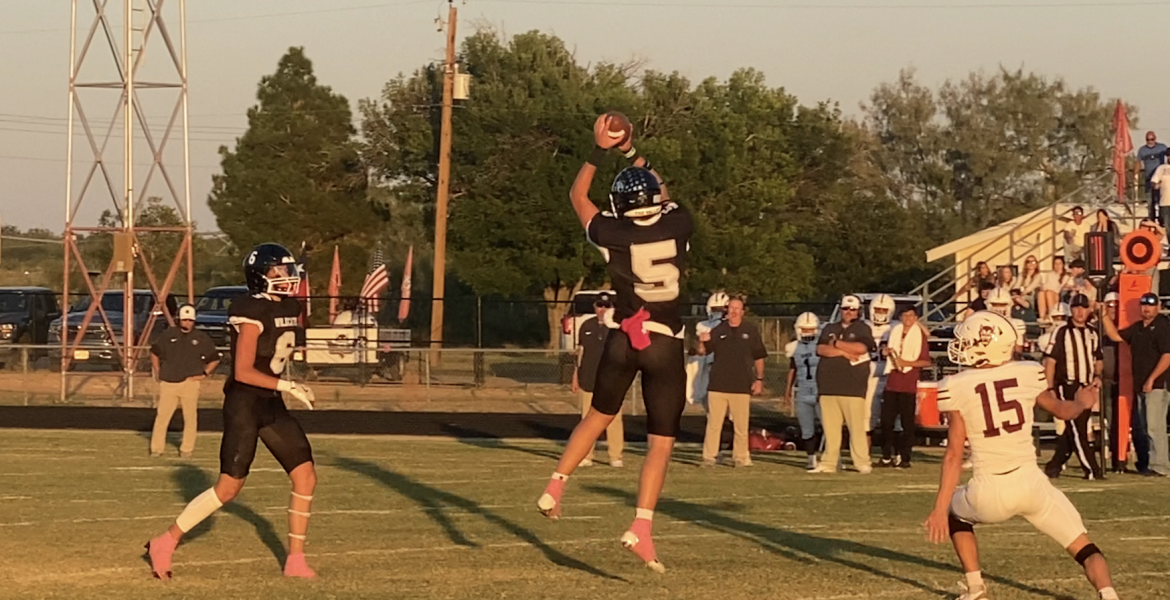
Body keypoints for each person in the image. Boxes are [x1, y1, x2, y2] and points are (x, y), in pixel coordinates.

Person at [537, 114, 691, 573]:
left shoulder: (612, 232)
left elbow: (576, 197)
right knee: (660, 443)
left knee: (600, 415)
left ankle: (556, 484)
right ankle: (641, 526)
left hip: (624, 336)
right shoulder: (679, 223)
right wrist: (629, 150)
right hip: (664, 341)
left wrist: (598, 150)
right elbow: (660, 189)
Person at [144, 243, 319, 580]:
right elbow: (242, 371)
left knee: (305, 474)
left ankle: (295, 560)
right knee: (228, 488)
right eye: (278, 271)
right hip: (245, 403)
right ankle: (163, 542)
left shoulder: (290, 306)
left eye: (287, 269)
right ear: (260, 276)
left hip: (270, 401)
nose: (286, 276)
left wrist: (284, 385)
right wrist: (288, 386)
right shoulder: (248, 309)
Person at [924, 311, 1119, 600]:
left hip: (988, 489)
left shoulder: (956, 385)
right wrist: (1082, 401)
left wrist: (939, 509)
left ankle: (975, 587)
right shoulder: (1027, 371)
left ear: (984, 344)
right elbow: (1063, 411)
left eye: (967, 341)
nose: (962, 346)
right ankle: (1108, 594)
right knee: (1085, 547)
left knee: (956, 513)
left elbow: (954, 454)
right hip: (1032, 484)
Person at [1099, 292, 1170, 477]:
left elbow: (1167, 356)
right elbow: (1115, 336)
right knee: (1147, 426)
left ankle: (1160, 466)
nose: (1147, 308)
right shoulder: (1138, 328)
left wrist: (1152, 378)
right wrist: (1104, 315)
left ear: (1158, 306)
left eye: (1151, 305)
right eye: (1144, 305)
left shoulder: (1162, 326)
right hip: (1140, 384)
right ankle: (1153, 463)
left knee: (1155, 426)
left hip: (1157, 384)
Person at [698, 296, 767, 468]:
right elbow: (702, 352)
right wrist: (702, 340)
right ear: (727, 311)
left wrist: (759, 379)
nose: (734, 312)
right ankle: (709, 457)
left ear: (742, 312)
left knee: (741, 426)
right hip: (718, 385)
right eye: (731, 308)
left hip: (741, 385)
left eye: (738, 308)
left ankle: (741, 458)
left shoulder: (750, 330)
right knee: (714, 424)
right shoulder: (718, 329)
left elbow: (759, 357)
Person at [1042, 293, 1105, 480]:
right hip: (1066, 386)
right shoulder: (1061, 331)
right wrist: (1049, 387)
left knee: (1075, 430)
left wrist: (1097, 376)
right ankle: (1092, 469)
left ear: (1088, 310)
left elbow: (1098, 359)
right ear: (1071, 309)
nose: (1079, 312)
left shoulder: (1092, 332)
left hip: (1086, 387)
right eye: (1076, 308)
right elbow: (1050, 361)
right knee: (1077, 430)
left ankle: (1053, 466)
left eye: (1083, 308)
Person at [813, 294, 876, 474]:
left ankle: (862, 462)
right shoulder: (830, 327)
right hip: (828, 385)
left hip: (853, 387)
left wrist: (837, 344)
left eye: (852, 309)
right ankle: (829, 462)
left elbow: (861, 348)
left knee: (856, 428)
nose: (848, 312)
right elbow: (821, 349)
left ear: (858, 311)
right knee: (830, 429)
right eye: (845, 309)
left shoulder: (863, 328)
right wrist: (843, 353)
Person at [149, 304, 220, 458]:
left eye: (190, 320)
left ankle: (186, 449)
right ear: (178, 320)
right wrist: (158, 370)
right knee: (162, 417)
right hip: (168, 382)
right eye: (184, 320)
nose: (187, 323)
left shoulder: (201, 338)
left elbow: (214, 359)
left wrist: (204, 373)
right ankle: (156, 449)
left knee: (190, 418)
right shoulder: (168, 335)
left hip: (190, 383)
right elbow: (154, 352)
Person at [572, 294, 623, 468]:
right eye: (599, 305)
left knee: (613, 419)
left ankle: (615, 455)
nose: (602, 309)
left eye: (606, 306)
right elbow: (581, 352)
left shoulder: (617, 327)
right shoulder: (587, 325)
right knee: (587, 419)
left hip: (612, 381)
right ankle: (586, 455)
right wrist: (576, 376)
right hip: (588, 379)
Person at [878, 305, 931, 469]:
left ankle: (905, 457)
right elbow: (885, 349)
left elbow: (926, 361)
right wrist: (885, 352)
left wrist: (907, 363)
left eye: (911, 316)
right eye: (905, 315)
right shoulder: (895, 331)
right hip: (892, 382)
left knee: (907, 424)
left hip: (908, 385)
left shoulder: (918, 336)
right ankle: (887, 456)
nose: (908, 319)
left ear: (915, 318)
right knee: (886, 422)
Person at [785, 312, 822, 471]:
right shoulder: (793, 347)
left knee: (829, 427)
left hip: (820, 390)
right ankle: (811, 458)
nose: (807, 332)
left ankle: (834, 458)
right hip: (803, 389)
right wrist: (787, 391)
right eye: (804, 329)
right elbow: (792, 369)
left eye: (810, 329)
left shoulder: (822, 345)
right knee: (806, 428)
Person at [685, 292, 729, 411]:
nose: (718, 312)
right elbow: (701, 349)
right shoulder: (703, 326)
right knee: (707, 397)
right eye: (716, 309)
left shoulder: (731, 326)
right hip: (709, 365)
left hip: (726, 366)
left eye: (721, 309)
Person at [865, 294, 895, 443]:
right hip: (869, 376)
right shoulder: (864, 326)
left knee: (893, 417)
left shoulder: (896, 327)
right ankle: (865, 452)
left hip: (889, 375)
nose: (880, 313)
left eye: (884, 310)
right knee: (867, 417)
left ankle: (892, 453)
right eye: (877, 309)